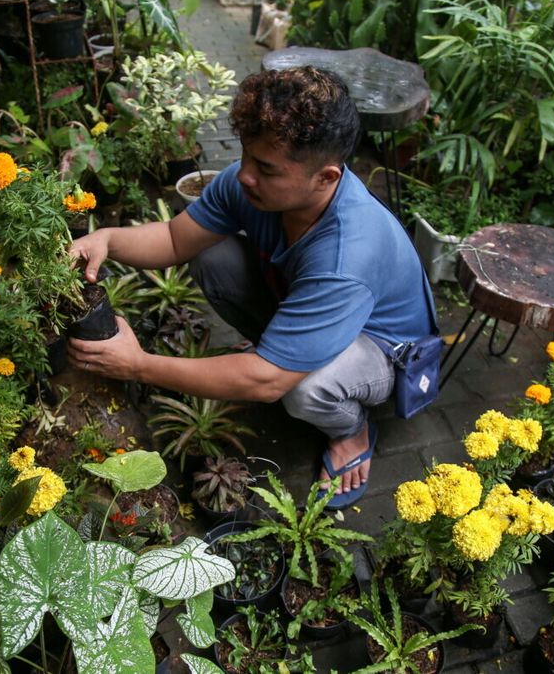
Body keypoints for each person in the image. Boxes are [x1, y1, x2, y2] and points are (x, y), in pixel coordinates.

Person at [68, 66, 435, 509]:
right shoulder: (251, 185)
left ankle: (351, 431)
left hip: (384, 352)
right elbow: (174, 239)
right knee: (210, 255)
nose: (244, 175)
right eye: (246, 156)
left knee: (303, 387)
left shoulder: (345, 257)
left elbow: (266, 383)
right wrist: (106, 238)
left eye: (266, 168)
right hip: (315, 308)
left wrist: (138, 364)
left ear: (327, 178)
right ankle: (287, 346)